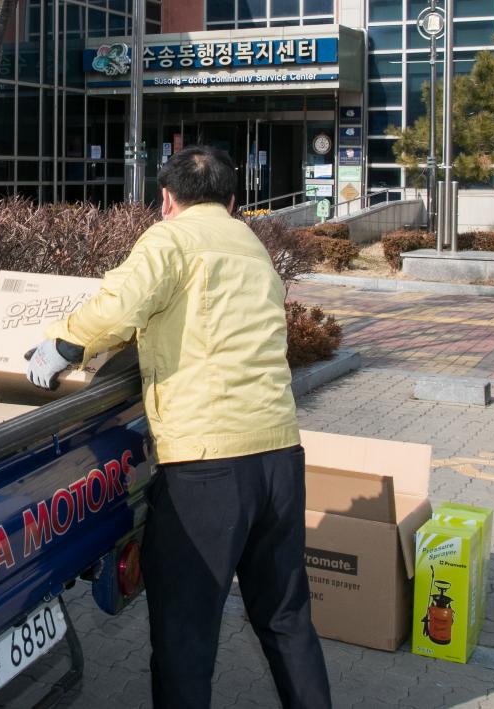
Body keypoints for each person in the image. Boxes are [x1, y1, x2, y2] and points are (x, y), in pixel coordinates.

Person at [24, 146, 331, 709]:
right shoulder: (250, 243)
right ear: (233, 200)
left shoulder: (169, 239)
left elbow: (119, 307)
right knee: (286, 618)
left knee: (186, 634)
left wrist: (62, 344)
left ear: (166, 199)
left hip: (207, 464)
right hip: (280, 454)